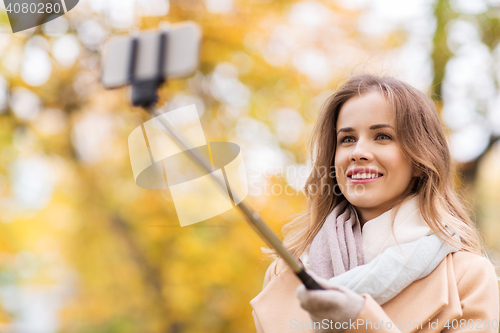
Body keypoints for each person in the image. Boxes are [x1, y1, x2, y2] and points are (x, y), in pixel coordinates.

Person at [250, 75, 499, 333]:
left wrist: (362, 320)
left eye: (382, 136)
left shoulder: (468, 276)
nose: (358, 151)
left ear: (420, 159)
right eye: (347, 139)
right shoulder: (285, 272)